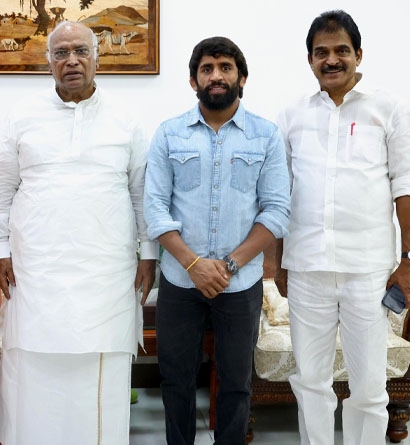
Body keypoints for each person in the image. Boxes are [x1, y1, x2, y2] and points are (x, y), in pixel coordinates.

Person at [0, 21, 156, 445]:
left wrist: (149, 253)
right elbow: (3, 189)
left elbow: (142, 192)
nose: (72, 61)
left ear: (97, 57)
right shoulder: (21, 116)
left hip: (106, 271)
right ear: (49, 62)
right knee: (33, 364)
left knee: (99, 366)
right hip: (36, 268)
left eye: (81, 51)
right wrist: (0, 249)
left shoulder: (125, 119)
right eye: (61, 53)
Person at [275, 10, 410, 444]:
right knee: (311, 381)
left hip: (368, 270)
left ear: (359, 54)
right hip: (306, 268)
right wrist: (278, 263)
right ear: (310, 60)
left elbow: (407, 186)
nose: (332, 59)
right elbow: (279, 193)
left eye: (342, 50)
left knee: (370, 387)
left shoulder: (389, 109)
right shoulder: (292, 114)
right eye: (322, 52)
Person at [144, 37, 291, 444]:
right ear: (194, 80)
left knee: (236, 381)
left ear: (241, 77)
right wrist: (194, 264)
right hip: (179, 280)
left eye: (225, 67)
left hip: (238, 284)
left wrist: (226, 266)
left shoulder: (266, 136)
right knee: (175, 379)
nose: (216, 76)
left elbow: (276, 211)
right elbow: (155, 209)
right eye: (207, 68)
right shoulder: (169, 134)